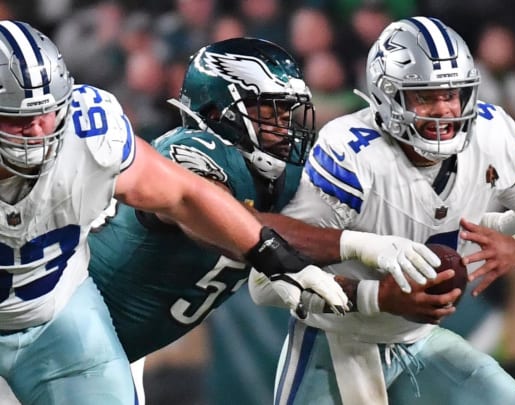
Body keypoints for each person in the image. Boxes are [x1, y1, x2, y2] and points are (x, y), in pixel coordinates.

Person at [0, 20, 356, 405]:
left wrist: (272, 255)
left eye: (47, 112)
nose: (36, 130)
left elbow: (185, 197)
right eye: (15, 119)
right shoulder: (196, 151)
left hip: (59, 317)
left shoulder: (88, 130)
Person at [86, 37, 459, 403]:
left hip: (113, 354)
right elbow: (219, 221)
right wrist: (357, 244)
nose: (284, 126)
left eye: (288, 112)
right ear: (218, 112)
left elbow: (293, 273)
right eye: (269, 112)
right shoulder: (190, 151)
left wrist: (381, 296)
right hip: (63, 328)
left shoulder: (285, 178)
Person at [249, 16, 515, 405]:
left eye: (452, 94)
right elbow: (264, 283)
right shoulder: (353, 153)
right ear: (387, 95)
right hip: (338, 344)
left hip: (420, 341)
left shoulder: (490, 133)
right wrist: (375, 295)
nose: (445, 110)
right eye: (425, 97)